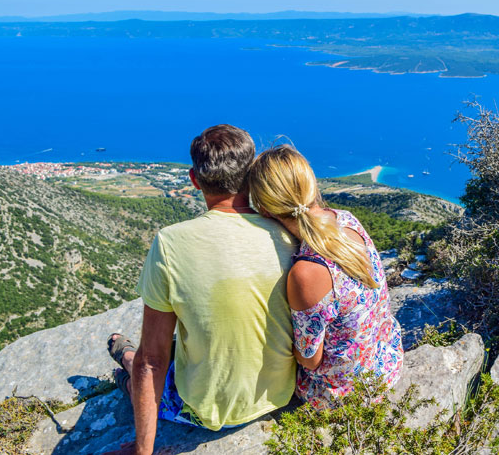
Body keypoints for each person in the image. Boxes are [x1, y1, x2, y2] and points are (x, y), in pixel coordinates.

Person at [105, 125, 298, 455]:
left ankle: (121, 355)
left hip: (206, 412)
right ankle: (122, 352)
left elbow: (152, 360)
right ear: (251, 175)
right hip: (280, 394)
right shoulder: (288, 233)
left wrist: (141, 450)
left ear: (194, 180)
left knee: (136, 362)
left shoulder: (170, 243)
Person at [248, 145, 403, 409]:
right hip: (386, 363)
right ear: (311, 185)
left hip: (347, 393)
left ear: (264, 209)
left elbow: (311, 360)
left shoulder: (307, 273)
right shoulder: (346, 219)